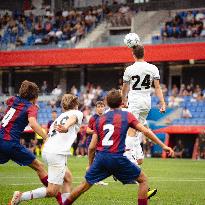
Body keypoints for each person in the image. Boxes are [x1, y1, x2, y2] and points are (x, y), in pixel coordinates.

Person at [62, 89, 174, 205]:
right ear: (122, 102)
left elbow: (91, 147)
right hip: (118, 158)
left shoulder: (100, 120)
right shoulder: (127, 116)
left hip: (101, 159)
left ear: (107, 103)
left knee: (83, 186)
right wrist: (164, 146)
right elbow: (146, 131)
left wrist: (90, 165)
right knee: (143, 180)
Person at [10, 94, 83, 205]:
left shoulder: (60, 117)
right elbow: (73, 119)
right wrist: (66, 127)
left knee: (67, 178)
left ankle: (64, 203)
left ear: (63, 106)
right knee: (52, 191)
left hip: (49, 150)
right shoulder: (77, 113)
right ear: (76, 104)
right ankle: (21, 196)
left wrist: (65, 127)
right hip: (57, 153)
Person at [0, 81, 49, 203]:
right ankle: (57, 194)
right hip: (9, 142)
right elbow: (32, 123)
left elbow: (8, 102)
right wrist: (46, 137)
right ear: (35, 97)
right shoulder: (31, 107)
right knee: (40, 166)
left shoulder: (13, 100)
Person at [121, 43, 166, 166]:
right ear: (144, 54)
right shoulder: (153, 68)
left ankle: (128, 158)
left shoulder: (129, 69)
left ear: (133, 54)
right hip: (147, 101)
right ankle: (138, 157)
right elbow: (157, 87)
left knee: (131, 128)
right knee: (138, 128)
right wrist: (162, 103)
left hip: (135, 100)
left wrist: (123, 100)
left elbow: (125, 88)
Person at [86, 101, 108, 186]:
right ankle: (94, 179)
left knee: (100, 161)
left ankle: (94, 178)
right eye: (98, 106)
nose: (100, 108)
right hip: (92, 142)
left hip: (101, 143)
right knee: (95, 162)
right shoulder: (93, 118)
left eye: (102, 106)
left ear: (104, 107)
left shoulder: (106, 118)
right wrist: (97, 131)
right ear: (96, 108)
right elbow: (87, 130)